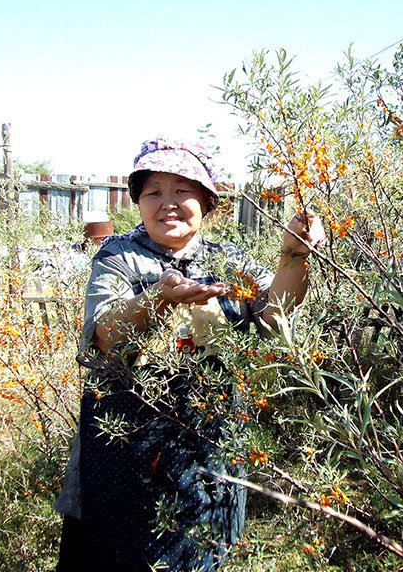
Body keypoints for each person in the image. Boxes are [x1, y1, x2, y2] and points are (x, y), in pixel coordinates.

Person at [55, 138, 324, 571]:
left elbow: (274, 317)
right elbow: (106, 335)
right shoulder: (117, 256)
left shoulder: (228, 259)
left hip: (207, 445)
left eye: (182, 191)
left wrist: (295, 257)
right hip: (124, 450)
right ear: (139, 203)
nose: (168, 204)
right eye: (154, 192)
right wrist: (160, 298)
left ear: (206, 201)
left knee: (201, 551)